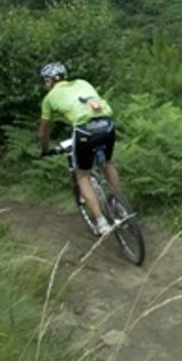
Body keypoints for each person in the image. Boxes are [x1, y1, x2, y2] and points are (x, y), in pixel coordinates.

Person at [37, 61, 121, 236]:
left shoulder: (49, 98)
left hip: (85, 131)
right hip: (107, 125)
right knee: (107, 163)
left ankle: (101, 222)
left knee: (82, 175)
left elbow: (43, 132)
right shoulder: (83, 82)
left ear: (49, 81)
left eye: (45, 81)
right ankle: (118, 205)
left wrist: (45, 149)